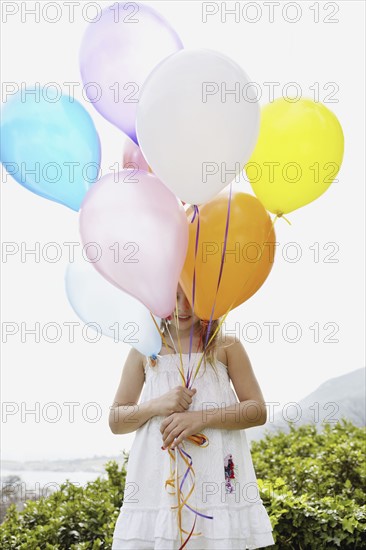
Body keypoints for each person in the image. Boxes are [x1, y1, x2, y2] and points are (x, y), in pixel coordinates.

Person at [110, 284, 275, 550]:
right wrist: (156, 404)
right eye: (174, 297)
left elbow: (257, 410)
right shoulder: (143, 350)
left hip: (214, 481)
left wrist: (201, 418)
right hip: (157, 482)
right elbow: (116, 421)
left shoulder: (226, 345)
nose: (183, 307)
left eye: (192, 296)